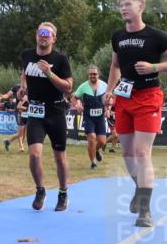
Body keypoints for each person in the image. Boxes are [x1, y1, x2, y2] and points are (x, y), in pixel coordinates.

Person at [105, 0, 167, 228]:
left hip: (148, 97)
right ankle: (139, 188)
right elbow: (115, 66)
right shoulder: (117, 37)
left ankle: (145, 211)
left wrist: (153, 67)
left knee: (142, 153)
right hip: (124, 98)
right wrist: (109, 91)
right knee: (127, 153)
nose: (123, 8)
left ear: (140, 7)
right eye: (121, 5)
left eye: (128, 4)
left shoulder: (156, 35)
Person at [20, 22, 73, 211]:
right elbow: (24, 73)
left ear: (53, 39)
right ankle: (40, 190)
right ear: (36, 35)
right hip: (35, 112)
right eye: (41, 32)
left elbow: (68, 87)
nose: (43, 36)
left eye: (47, 34)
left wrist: (50, 73)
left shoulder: (60, 59)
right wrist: (23, 88)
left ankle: (63, 193)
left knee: (60, 157)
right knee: (34, 155)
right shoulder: (27, 55)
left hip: (56, 112)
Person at [73, 65, 109, 170]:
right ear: (88, 75)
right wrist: (77, 105)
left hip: (100, 117)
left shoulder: (104, 85)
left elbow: (108, 99)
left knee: (102, 141)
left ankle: (96, 150)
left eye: (95, 74)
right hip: (88, 117)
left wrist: (107, 109)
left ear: (99, 74)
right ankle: (93, 163)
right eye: (91, 74)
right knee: (92, 138)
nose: (93, 76)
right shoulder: (83, 86)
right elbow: (74, 98)